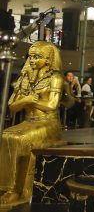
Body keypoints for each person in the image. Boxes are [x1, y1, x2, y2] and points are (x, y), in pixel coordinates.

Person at [0, 42, 63, 206]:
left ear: (48, 59)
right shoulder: (25, 78)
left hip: (48, 123)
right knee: (5, 135)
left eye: (37, 57)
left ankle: (14, 190)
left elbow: (52, 105)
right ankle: (4, 186)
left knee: (18, 138)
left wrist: (32, 102)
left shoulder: (55, 78)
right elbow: (12, 106)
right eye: (31, 56)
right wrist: (26, 100)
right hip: (28, 121)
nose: (32, 60)